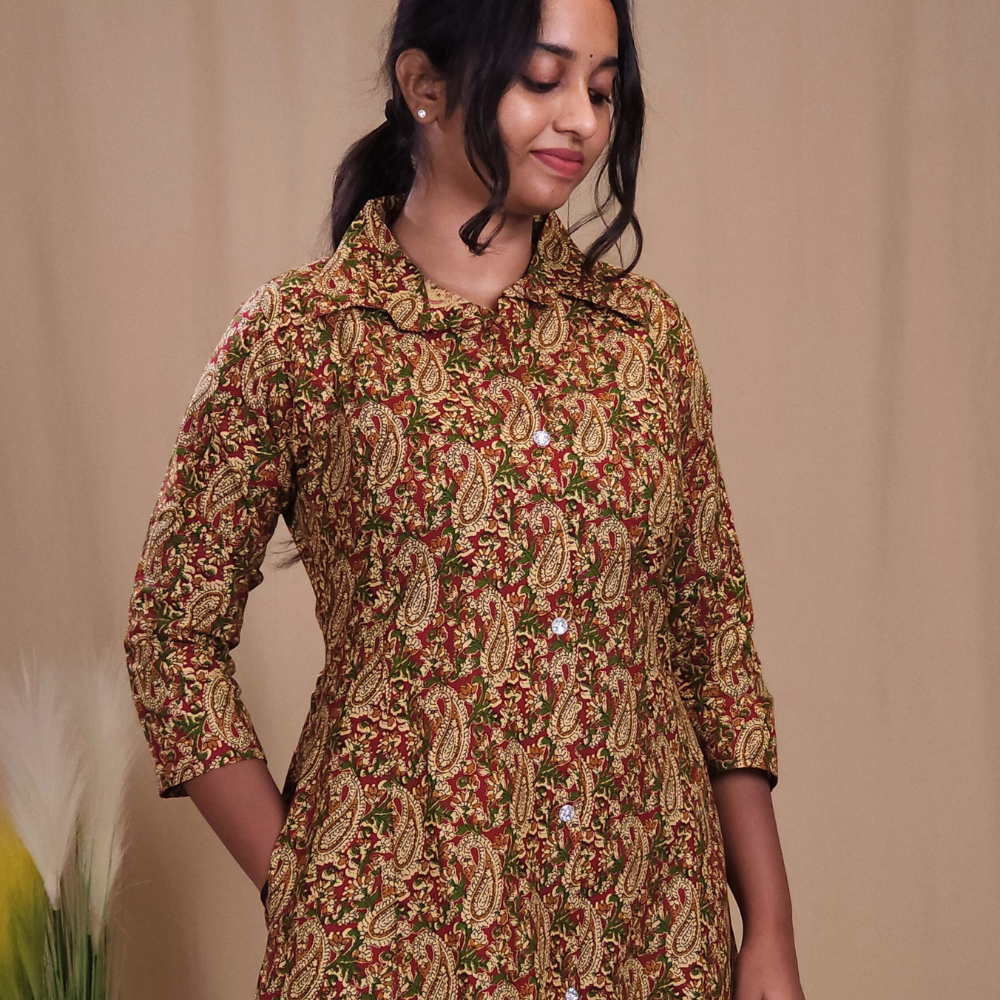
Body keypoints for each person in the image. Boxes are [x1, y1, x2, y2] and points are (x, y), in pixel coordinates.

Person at [124, 1, 806, 998]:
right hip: (403, 948)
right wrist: (308, 882)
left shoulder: (646, 341)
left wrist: (770, 929)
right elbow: (169, 635)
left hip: (651, 935)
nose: (581, 119)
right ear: (424, 86)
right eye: (544, 79)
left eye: (603, 91)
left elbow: (716, 646)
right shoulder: (304, 337)